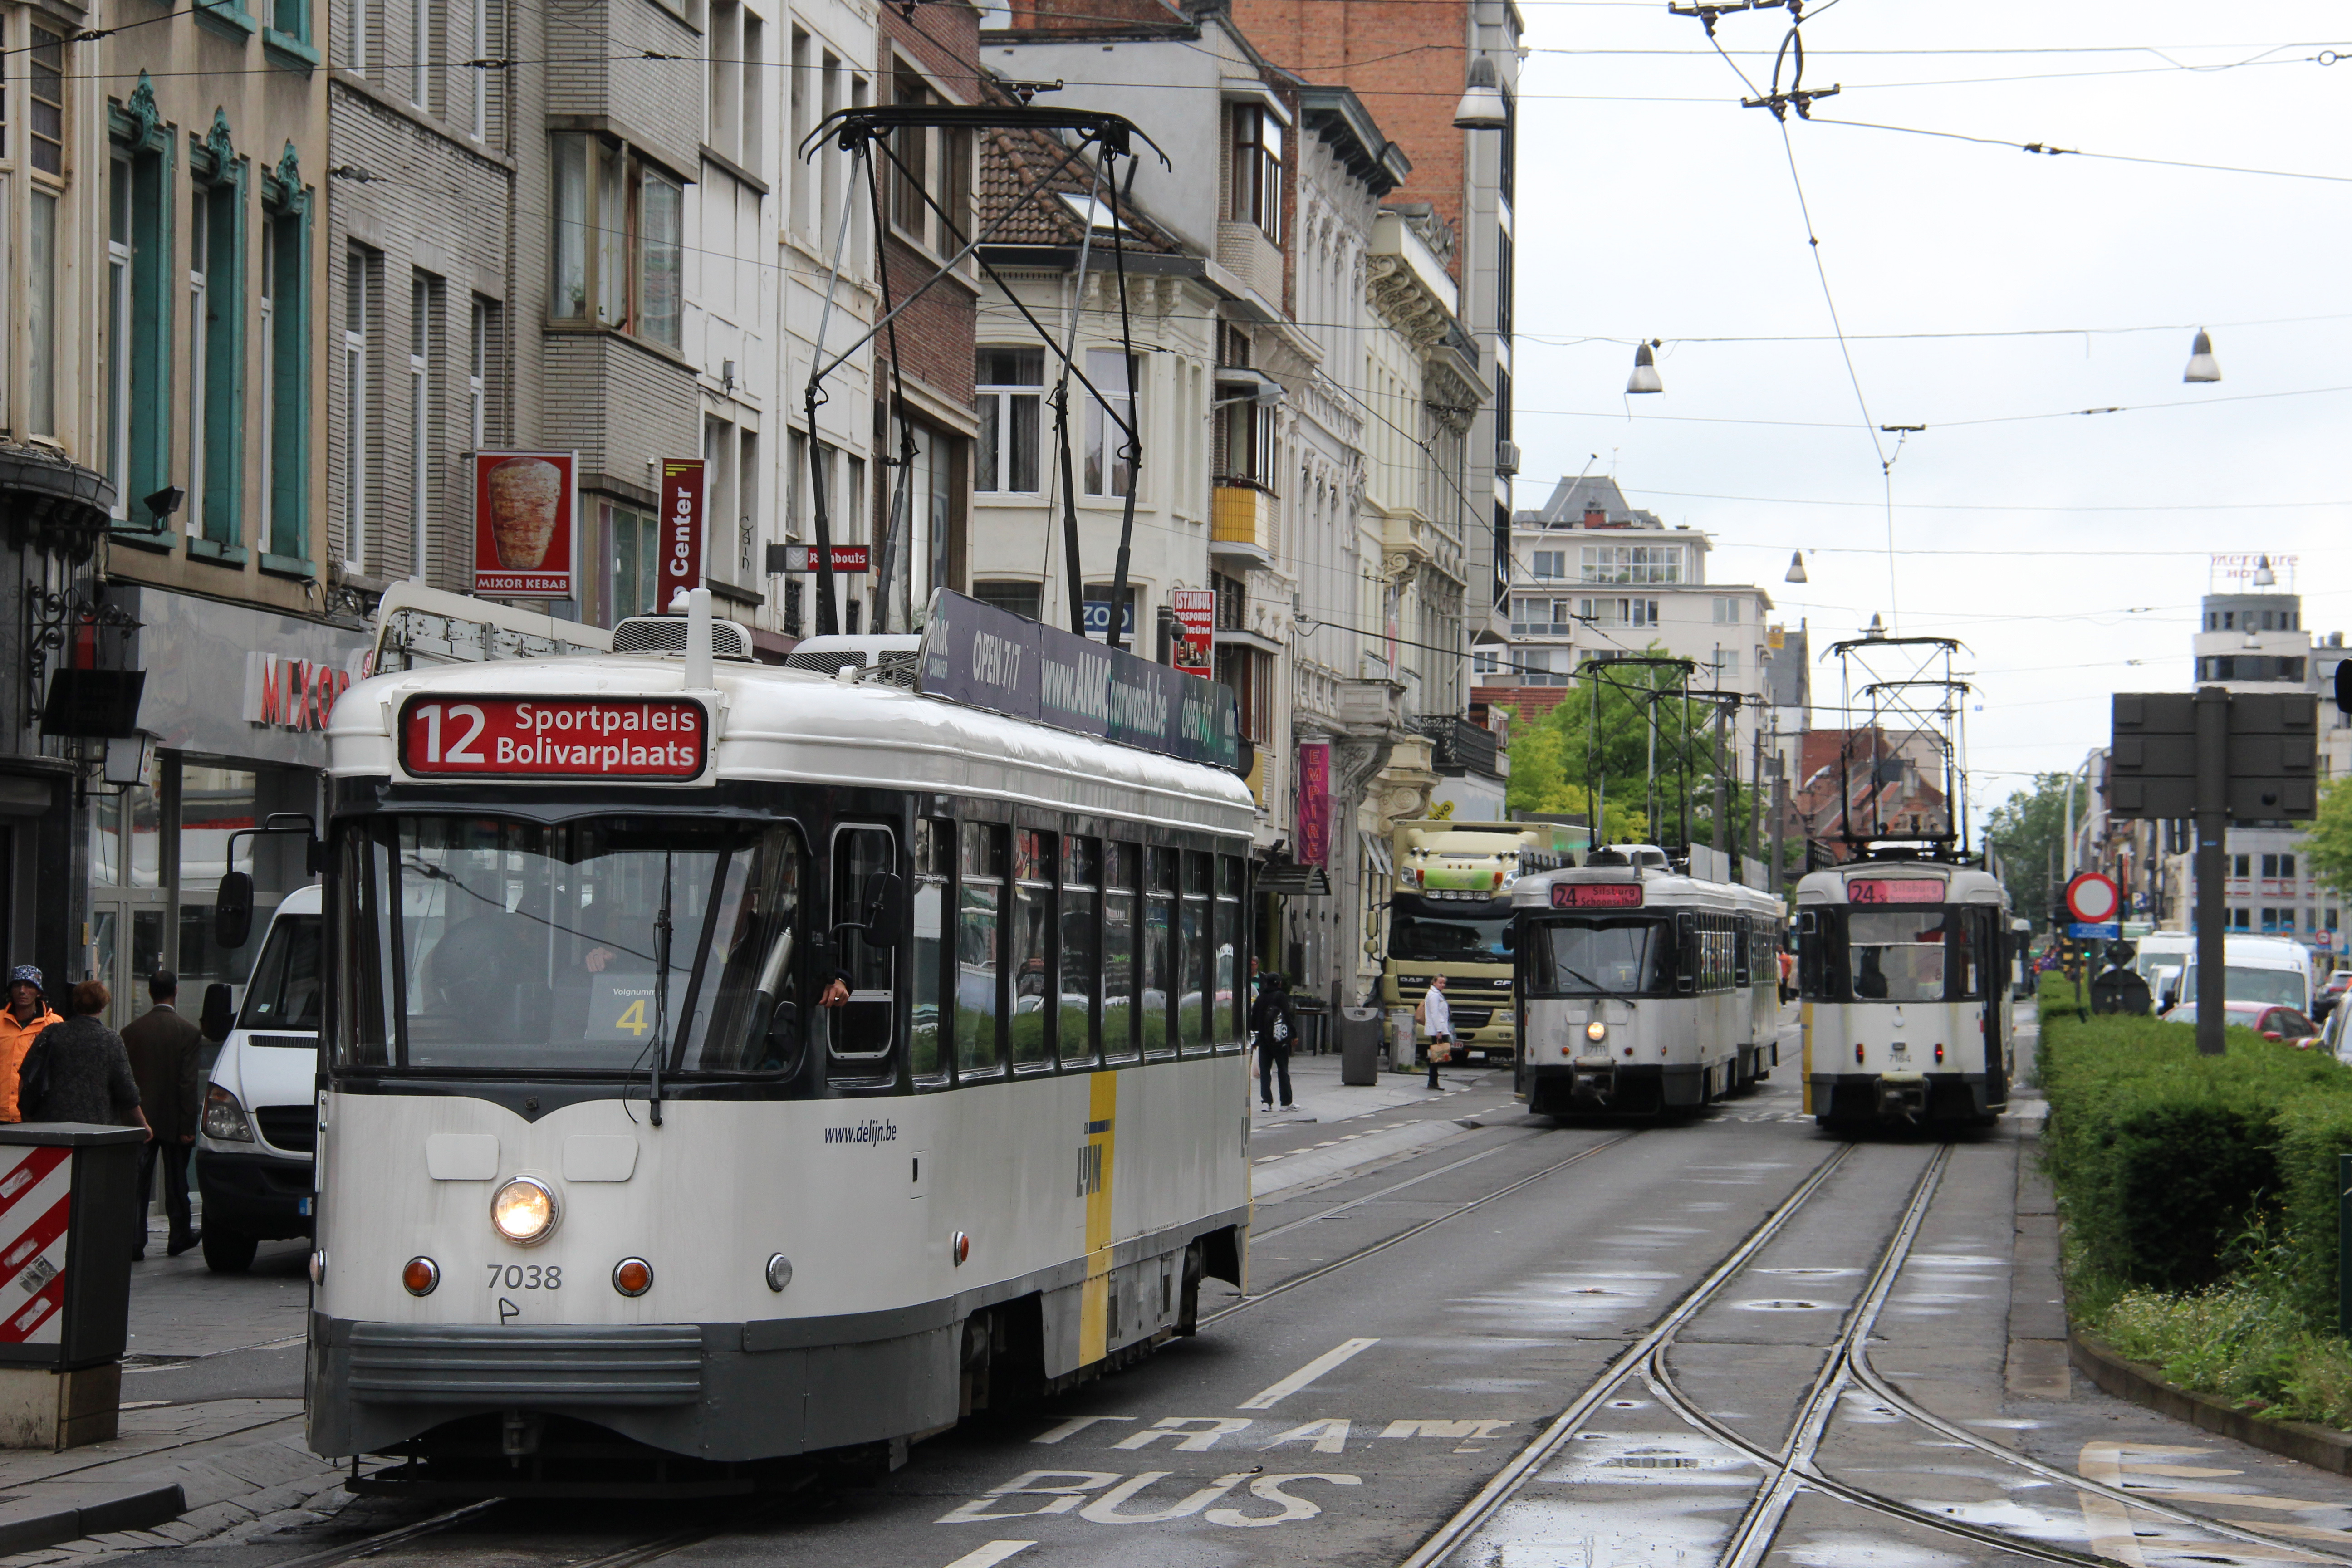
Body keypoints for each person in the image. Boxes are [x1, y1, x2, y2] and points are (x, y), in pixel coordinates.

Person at [16, 984, 150, 1181]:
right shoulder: (111, 1040)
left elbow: (27, 1074)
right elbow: (127, 1091)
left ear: (75, 1003)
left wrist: (28, 1115)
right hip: (96, 1132)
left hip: (52, 1128)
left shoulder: (52, 1033)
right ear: (102, 1007)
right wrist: (143, 1125)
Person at [122, 970, 204, 1258]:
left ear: (150, 993)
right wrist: (187, 1125)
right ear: (176, 991)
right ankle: (179, 1235)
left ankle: (134, 1240)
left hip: (140, 1119)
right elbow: (187, 1082)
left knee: (137, 1181)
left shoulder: (131, 1032)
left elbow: (126, 1080)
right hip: (174, 1119)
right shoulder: (188, 1032)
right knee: (177, 1181)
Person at [0, 966, 63, 1124]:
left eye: (29, 986)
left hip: (36, 1114)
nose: (22, 991)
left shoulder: (55, 1024)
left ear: (39, 992)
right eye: (17, 986)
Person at [1248, 972, 1297, 1112]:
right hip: (1279, 1041)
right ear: (1279, 983)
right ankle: (1286, 1103)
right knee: (1283, 1070)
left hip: (1264, 1040)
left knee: (1265, 1072)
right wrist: (1294, 1034)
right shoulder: (1280, 996)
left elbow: (1253, 1023)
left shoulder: (1261, 997)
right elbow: (1287, 1016)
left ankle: (1267, 1102)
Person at [1417, 974, 1452, 1090]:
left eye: (1444, 983)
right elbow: (1435, 1014)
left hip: (1439, 1028)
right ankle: (1433, 1081)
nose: (1443, 985)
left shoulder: (1436, 994)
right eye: (1440, 983)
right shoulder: (1434, 996)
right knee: (1436, 1056)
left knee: (1436, 1056)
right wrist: (1439, 1030)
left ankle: (1433, 1081)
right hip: (1437, 1029)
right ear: (1434, 983)